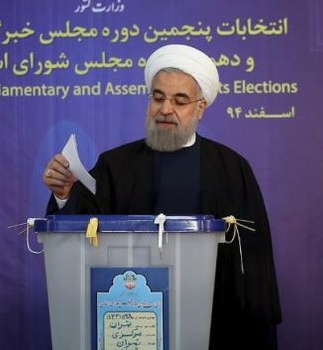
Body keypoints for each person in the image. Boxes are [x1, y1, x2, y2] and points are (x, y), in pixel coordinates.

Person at [43, 44, 282, 349]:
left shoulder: (231, 169)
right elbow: (79, 242)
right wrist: (64, 196)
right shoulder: (115, 165)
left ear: (200, 107)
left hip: (215, 328)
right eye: (158, 97)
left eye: (180, 100)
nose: (165, 109)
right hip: (129, 325)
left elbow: (253, 270)